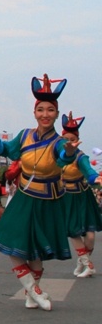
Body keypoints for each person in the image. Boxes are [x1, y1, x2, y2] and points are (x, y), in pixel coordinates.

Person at [0, 75, 79, 311]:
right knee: (11, 242)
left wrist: (68, 152)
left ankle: (30, 293)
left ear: (56, 114)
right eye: (40, 110)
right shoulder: (25, 135)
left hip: (48, 201)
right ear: (34, 112)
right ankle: (34, 289)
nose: (45, 114)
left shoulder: (58, 141)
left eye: (50, 110)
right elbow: (6, 150)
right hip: (24, 197)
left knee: (35, 250)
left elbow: (62, 159)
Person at [58, 113, 101, 278]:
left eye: (71, 138)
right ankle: (88, 264)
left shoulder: (80, 156)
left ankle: (83, 260)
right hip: (66, 196)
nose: (68, 142)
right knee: (73, 231)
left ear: (77, 139)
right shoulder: (58, 156)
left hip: (83, 196)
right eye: (65, 139)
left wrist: (94, 177)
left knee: (90, 235)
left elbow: (88, 170)